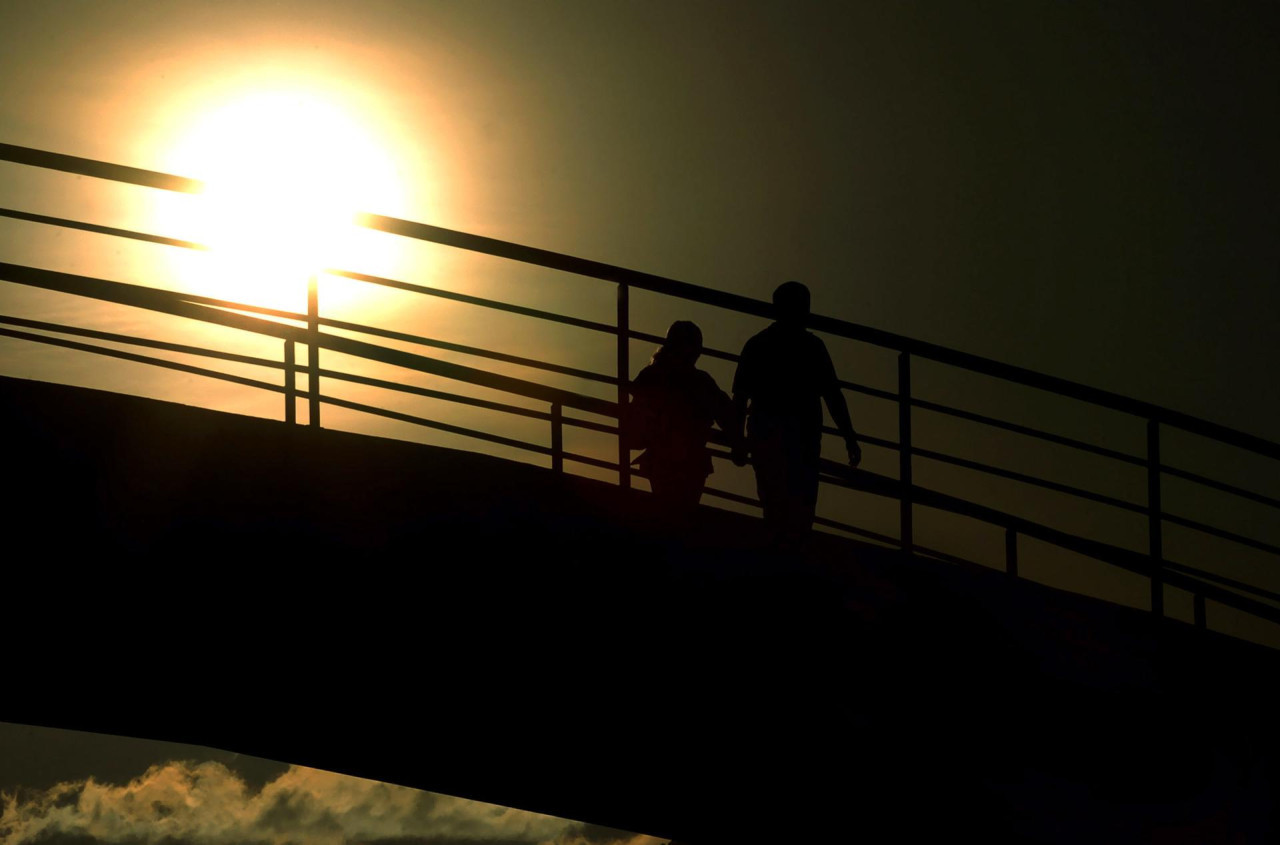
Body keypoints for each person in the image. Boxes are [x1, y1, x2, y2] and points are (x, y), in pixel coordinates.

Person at [731, 281, 861, 545]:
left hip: (767, 434)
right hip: (802, 438)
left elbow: (740, 397)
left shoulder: (757, 344)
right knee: (800, 509)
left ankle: (779, 561)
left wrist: (737, 440)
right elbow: (833, 396)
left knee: (773, 506)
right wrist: (849, 436)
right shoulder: (813, 347)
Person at [628, 321, 735, 520]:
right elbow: (727, 415)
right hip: (691, 462)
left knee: (664, 513)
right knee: (684, 517)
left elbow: (635, 414)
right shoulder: (702, 382)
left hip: (661, 459)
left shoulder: (651, 375)